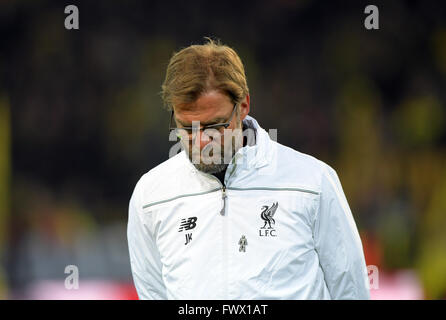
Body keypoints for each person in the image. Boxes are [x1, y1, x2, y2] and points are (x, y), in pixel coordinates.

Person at [127, 38, 370, 299]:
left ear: (243, 107)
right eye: (186, 127)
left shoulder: (312, 183)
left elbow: (351, 291)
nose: (200, 141)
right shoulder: (150, 197)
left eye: (214, 126)